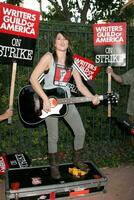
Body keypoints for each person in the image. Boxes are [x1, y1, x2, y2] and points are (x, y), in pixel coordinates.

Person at [30, 31, 100, 179]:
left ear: (68, 43)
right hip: (49, 103)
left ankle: (77, 159)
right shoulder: (48, 57)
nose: (62, 41)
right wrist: (45, 99)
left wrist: (92, 97)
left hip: (67, 102)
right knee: (53, 136)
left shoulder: (71, 62)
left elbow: (80, 86)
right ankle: (54, 167)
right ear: (54, 43)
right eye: (59, 39)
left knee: (80, 132)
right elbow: (33, 79)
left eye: (65, 39)